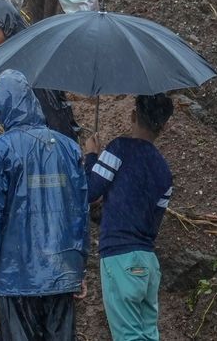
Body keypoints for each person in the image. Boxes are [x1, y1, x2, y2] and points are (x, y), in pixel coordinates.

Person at [0, 69, 88, 341]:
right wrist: (78, 267)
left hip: (15, 279)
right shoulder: (69, 149)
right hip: (61, 273)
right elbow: (79, 214)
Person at [85, 94, 174, 340]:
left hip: (119, 256)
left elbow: (91, 192)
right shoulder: (164, 171)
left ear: (133, 115)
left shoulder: (118, 148)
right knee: (148, 334)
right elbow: (155, 219)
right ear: (164, 126)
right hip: (147, 261)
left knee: (127, 335)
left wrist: (91, 156)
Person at [0, 0, 79, 140]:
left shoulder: (29, 60)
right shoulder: (15, 56)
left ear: (8, 28)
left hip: (46, 139)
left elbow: (51, 110)